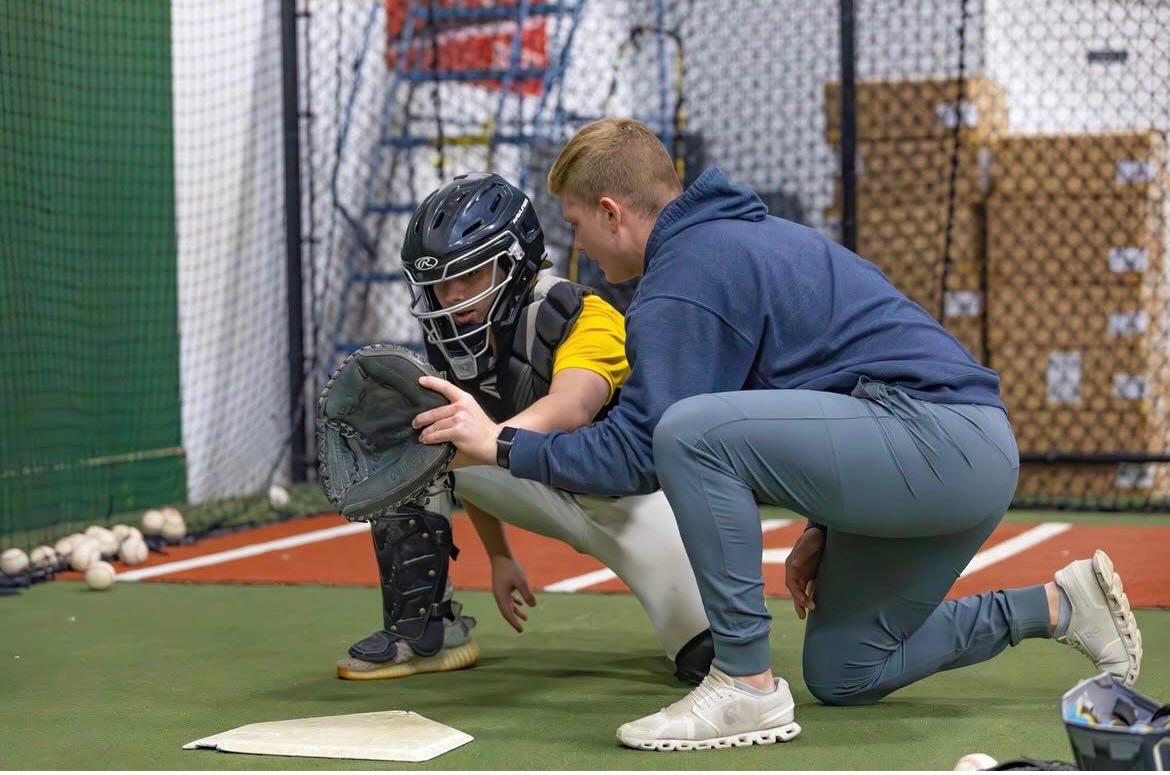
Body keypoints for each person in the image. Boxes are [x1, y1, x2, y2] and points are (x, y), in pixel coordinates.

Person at [412, 118, 1144, 752]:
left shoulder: (683, 277)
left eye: (575, 224)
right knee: (847, 668)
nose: (579, 248)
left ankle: (746, 681)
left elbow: (640, 453)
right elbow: (840, 371)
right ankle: (1057, 605)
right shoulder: (739, 241)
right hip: (959, 453)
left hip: (939, 442)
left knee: (692, 432)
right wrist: (830, 515)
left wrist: (500, 444)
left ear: (611, 212)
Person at [337, 171, 715, 686]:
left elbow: (572, 406)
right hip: (541, 484)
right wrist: (499, 554)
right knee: (419, 439)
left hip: (630, 501)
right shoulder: (454, 332)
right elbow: (466, 446)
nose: (450, 298)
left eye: (468, 276)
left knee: (707, 658)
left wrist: (485, 440)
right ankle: (427, 629)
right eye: (438, 284)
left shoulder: (579, 312)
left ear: (513, 262)